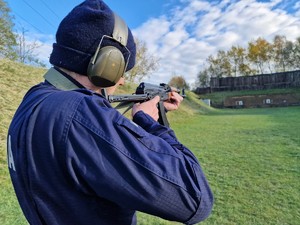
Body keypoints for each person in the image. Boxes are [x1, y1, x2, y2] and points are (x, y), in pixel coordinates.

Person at [7, 0, 213, 224]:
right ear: (107, 62)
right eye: (121, 69)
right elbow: (196, 198)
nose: (122, 80)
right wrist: (150, 123)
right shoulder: (79, 113)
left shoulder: (34, 100)